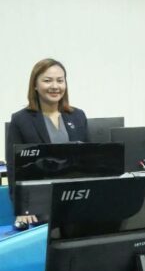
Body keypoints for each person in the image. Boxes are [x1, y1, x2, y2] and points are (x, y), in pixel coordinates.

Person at [7, 58, 88, 228]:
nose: (55, 86)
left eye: (60, 80)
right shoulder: (21, 120)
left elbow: (88, 160)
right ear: (35, 85)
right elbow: (14, 168)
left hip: (76, 199)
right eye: (47, 80)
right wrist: (22, 208)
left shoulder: (78, 116)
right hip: (41, 203)